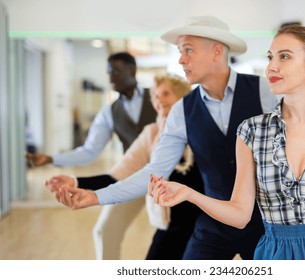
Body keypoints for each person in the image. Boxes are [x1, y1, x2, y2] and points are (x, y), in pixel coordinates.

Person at [149, 24, 305, 260]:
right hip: (277, 253)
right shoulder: (251, 132)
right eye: (270, 57)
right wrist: (189, 194)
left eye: (284, 57)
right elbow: (240, 215)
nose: (271, 67)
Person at [54, 15, 278, 260]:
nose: (181, 60)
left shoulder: (266, 92)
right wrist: (97, 196)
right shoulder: (182, 110)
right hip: (214, 225)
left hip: (268, 223)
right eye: (180, 52)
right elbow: (155, 171)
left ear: (216, 51)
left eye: (188, 50)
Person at [46, 74, 203, 260]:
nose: (159, 100)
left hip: (206, 220)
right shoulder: (151, 134)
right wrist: (76, 181)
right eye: (155, 96)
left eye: (165, 94)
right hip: (173, 224)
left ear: (182, 96)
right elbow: (118, 175)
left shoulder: (202, 127)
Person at [26, 52, 156, 167]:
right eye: (109, 73)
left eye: (115, 72)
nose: (111, 78)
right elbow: (90, 151)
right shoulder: (109, 113)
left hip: (169, 175)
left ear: (132, 70)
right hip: (134, 175)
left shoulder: (159, 98)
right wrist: (51, 159)